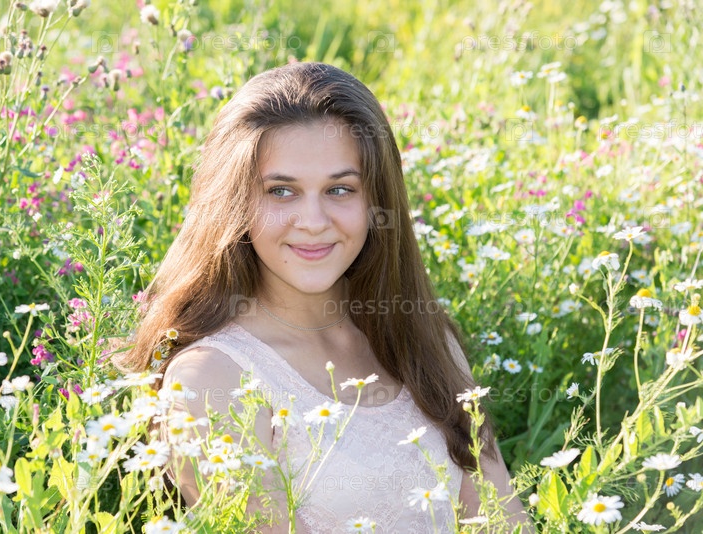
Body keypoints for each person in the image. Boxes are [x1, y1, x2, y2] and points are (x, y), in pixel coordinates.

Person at [121, 61, 530, 532]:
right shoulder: (211, 377)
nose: (313, 221)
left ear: (376, 200)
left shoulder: (423, 340)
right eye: (281, 191)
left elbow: (505, 522)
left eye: (339, 189)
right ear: (235, 203)